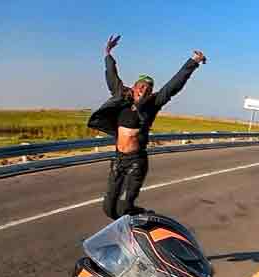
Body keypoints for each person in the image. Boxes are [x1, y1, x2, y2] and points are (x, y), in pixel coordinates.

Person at [88, 34, 207, 219]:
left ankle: (135, 226)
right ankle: (134, 217)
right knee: (109, 207)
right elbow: (112, 77)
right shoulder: (122, 97)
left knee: (126, 206)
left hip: (136, 161)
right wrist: (108, 54)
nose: (145, 89)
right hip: (119, 159)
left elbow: (173, 85)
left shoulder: (152, 104)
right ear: (134, 87)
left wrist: (193, 62)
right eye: (142, 86)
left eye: (149, 88)